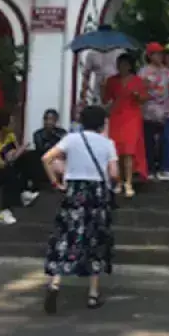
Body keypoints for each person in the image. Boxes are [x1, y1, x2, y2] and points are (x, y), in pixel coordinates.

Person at [41, 105, 119, 314]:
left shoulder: (71, 139)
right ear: (102, 123)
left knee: (65, 238)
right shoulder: (107, 143)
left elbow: (46, 158)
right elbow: (114, 173)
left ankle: (55, 283)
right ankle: (93, 294)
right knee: (95, 242)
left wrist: (56, 182)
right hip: (97, 195)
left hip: (74, 192)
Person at [103, 53, 148, 197]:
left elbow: (144, 99)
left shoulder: (137, 81)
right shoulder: (111, 81)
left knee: (129, 150)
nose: (121, 67)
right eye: (119, 64)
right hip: (116, 117)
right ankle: (119, 181)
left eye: (124, 64)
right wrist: (102, 87)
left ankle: (128, 182)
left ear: (129, 66)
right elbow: (105, 100)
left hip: (132, 117)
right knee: (117, 151)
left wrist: (137, 96)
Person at [0, 111, 41, 219]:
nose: (14, 125)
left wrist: (19, 152)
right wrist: (11, 158)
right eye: (11, 123)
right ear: (4, 125)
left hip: (11, 164)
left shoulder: (10, 135)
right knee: (9, 172)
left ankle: (26, 191)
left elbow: (18, 151)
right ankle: (5, 210)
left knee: (31, 157)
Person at [140, 42, 169, 181]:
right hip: (149, 111)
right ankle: (149, 169)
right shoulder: (144, 72)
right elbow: (140, 90)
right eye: (157, 54)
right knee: (149, 142)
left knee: (167, 139)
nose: (160, 56)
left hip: (166, 110)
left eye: (161, 54)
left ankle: (165, 169)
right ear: (150, 55)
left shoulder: (166, 71)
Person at [80, 25, 126, 106]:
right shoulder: (92, 54)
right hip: (98, 93)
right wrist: (84, 93)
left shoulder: (120, 52)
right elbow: (86, 75)